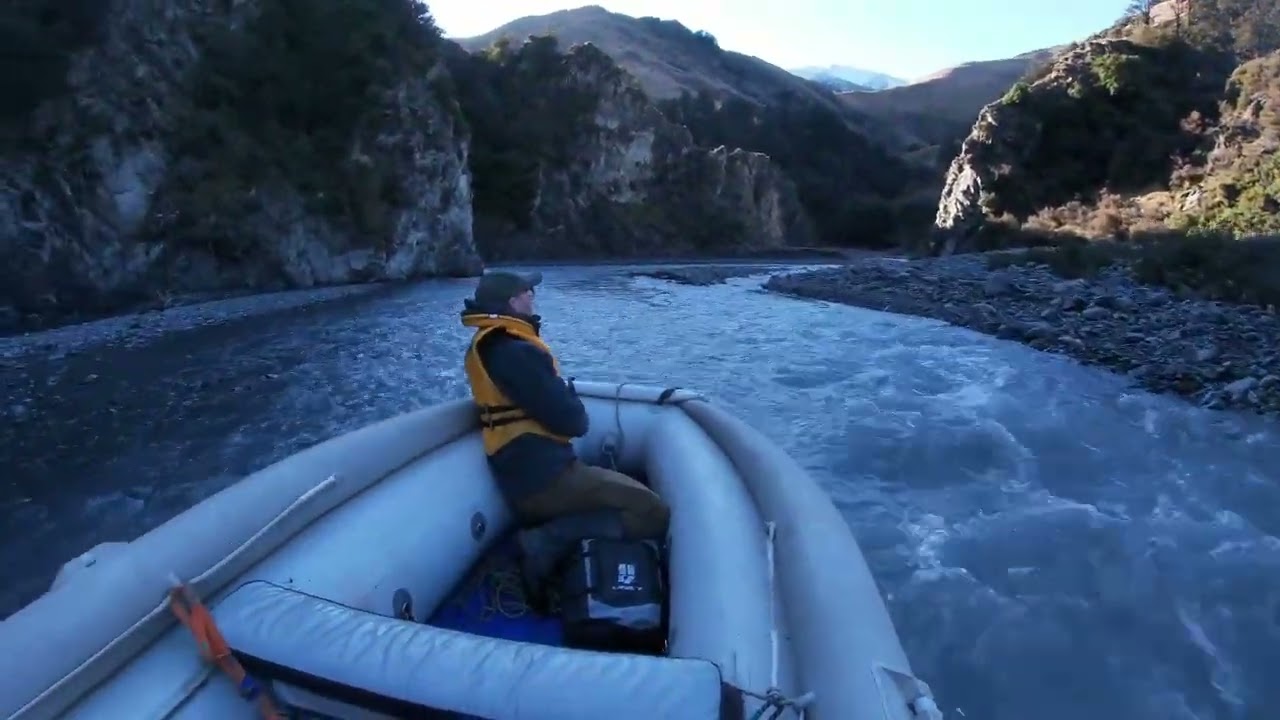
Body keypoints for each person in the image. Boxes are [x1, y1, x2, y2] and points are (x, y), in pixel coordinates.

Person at [460, 270, 670, 541]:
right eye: (528, 292)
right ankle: (543, 543)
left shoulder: (491, 345)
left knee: (627, 490)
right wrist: (570, 399)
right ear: (513, 302)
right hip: (543, 481)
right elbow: (574, 422)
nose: (532, 297)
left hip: (528, 471)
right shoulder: (514, 351)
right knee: (652, 511)